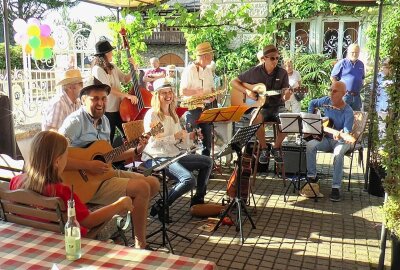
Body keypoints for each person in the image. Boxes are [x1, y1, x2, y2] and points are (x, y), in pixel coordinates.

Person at [59, 77, 160, 249]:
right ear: (83, 100)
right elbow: (56, 156)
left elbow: (108, 156)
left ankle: (118, 219)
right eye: (95, 98)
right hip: (85, 183)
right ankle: (140, 244)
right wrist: (88, 166)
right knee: (142, 188)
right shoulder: (75, 122)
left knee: (153, 183)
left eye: (104, 98)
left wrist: (137, 150)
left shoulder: (105, 121)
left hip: (105, 175)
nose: (101, 103)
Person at [9, 131, 134, 241]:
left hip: (30, 238)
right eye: (66, 155)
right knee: (117, 222)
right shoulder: (62, 191)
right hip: (66, 241)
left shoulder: (15, 181)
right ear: (57, 161)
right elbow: (89, 221)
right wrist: (120, 204)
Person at [142, 78, 213, 222]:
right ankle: (161, 205)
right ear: (157, 96)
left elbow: (180, 140)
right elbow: (154, 142)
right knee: (188, 179)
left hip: (173, 155)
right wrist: (175, 137)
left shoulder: (173, 113)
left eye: (170, 92)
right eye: (164, 93)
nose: (168, 95)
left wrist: (191, 136)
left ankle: (198, 200)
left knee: (208, 161)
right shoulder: (154, 115)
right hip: (156, 157)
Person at [231, 44, 291, 164]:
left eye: (277, 58)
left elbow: (284, 96)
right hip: (260, 107)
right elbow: (234, 82)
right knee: (255, 118)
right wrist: (247, 91)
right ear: (264, 58)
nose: (275, 61)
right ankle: (264, 148)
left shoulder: (282, 73)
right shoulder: (254, 72)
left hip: (277, 107)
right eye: (272, 58)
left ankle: (275, 147)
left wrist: (287, 96)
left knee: (290, 119)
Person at [306, 81, 354, 202]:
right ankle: (312, 177)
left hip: (341, 141)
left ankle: (336, 187)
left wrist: (340, 135)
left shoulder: (348, 111)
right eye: (330, 90)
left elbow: (346, 134)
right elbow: (312, 103)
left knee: (338, 154)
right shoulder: (326, 101)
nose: (331, 93)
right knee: (310, 145)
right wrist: (312, 119)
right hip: (326, 138)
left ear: (343, 93)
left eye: (335, 91)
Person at [91, 39, 139, 144]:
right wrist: (128, 96)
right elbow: (107, 89)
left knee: (130, 137)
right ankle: (109, 160)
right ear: (106, 54)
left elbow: (125, 80)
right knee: (108, 140)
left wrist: (134, 68)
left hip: (119, 108)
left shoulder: (113, 67)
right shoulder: (97, 69)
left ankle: (126, 158)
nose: (112, 53)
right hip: (107, 111)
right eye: (110, 51)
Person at [180, 41, 216, 157]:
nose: (212, 57)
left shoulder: (209, 70)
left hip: (206, 108)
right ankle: (191, 165)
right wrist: (196, 92)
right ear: (205, 56)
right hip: (193, 108)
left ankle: (206, 164)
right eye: (211, 54)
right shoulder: (189, 70)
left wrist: (213, 95)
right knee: (192, 140)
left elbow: (211, 88)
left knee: (207, 139)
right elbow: (182, 91)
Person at [331, 43, 365, 111]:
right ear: (348, 52)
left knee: (356, 118)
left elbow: (362, 78)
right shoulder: (342, 63)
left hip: (356, 97)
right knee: (342, 115)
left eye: (356, 52)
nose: (354, 54)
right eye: (352, 52)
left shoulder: (361, 64)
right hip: (345, 96)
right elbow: (333, 77)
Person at [375, 58, 392, 139]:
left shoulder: (395, 77)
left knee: (393, 127)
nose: (387, 67)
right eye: (385, 65)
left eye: (389, 66)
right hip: (382, 105)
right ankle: (382, 148)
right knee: (382, 127)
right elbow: (373, 90)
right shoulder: (378, 76)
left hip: (393, 106)